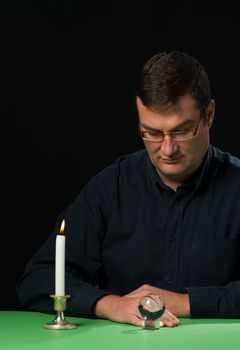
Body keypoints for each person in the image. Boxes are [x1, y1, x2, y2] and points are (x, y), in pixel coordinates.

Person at [16, 51, 240, 328]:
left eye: (182, 131)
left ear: (209, 115)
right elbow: (36, 278)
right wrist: (108, 304)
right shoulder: (110, 187)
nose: (167, 149)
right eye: (152, 133)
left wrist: (184, 302)